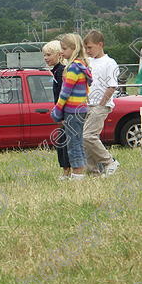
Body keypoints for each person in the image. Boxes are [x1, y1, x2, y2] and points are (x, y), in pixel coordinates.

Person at [51, 34, 91, 180]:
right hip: (81, 109)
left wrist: (57, 110)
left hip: (72, 111)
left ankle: (77, 174)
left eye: (64, 48)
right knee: (78, 141)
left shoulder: (73, 68)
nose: (62, 52)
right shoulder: (83, 65)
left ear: (74, 49)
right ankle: (80, 170)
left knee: (73, 143)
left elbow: (65, 92)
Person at [83, 30, 120, 176]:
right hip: (88, 104)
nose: (87, 51)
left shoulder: (110, 63)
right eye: (86, 48)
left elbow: (112, 86)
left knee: (88, 136)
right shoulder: (89, 62)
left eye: (90, 48)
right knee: (88, 140)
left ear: (100, 45)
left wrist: (101, 104)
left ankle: (109, 161)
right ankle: (93, 172)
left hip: (101, 105)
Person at [43, 40, 71, 180]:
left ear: (58, 55)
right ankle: (66, 169)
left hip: (64, 111)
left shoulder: (61, 71)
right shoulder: (56, 71)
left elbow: (63, 93)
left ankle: (67, 170)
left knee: (64, 140)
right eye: (44, 55)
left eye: (48, 54)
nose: (45, 58)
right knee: (62, 140)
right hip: (60, 110)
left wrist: (60, 112)